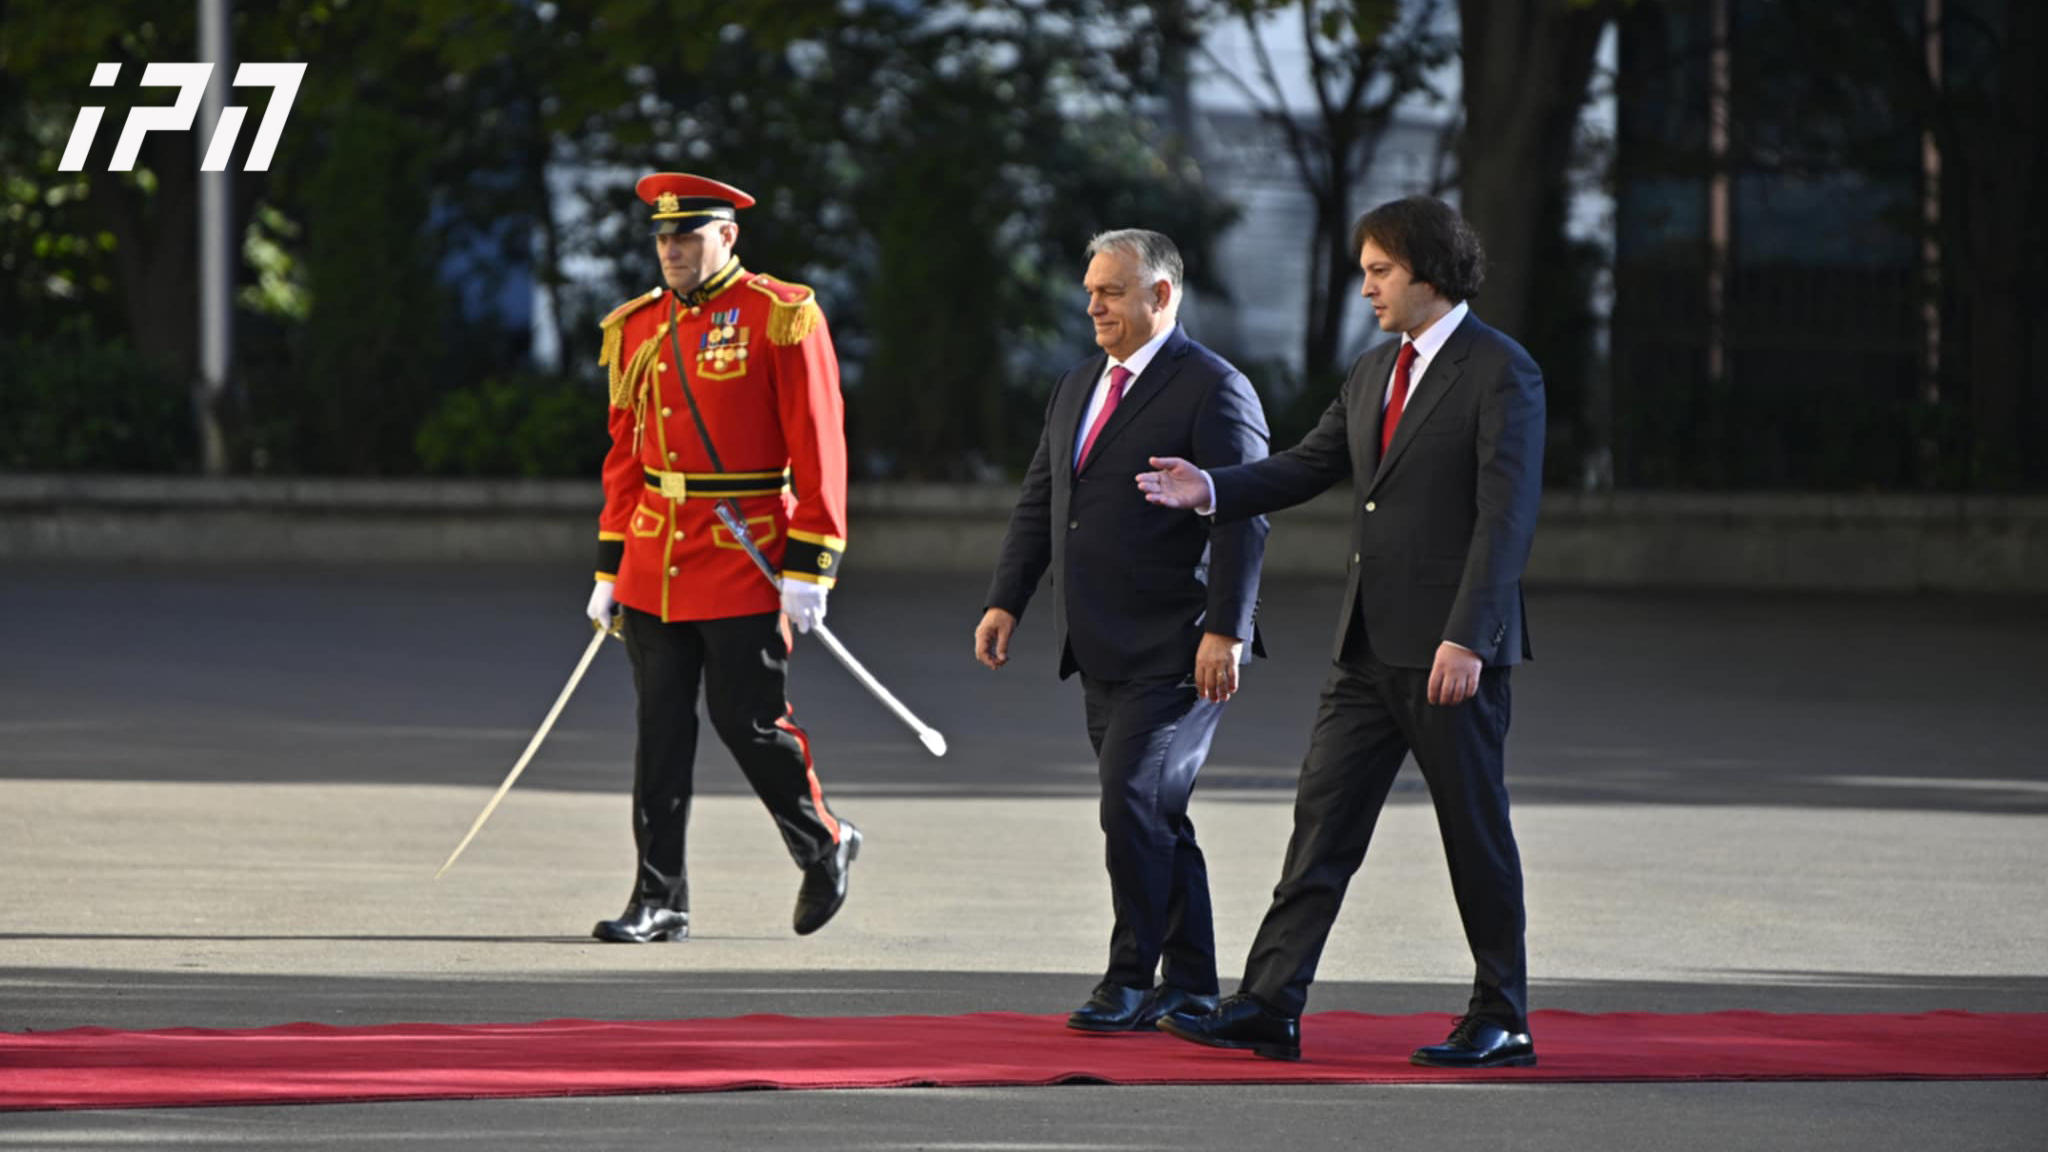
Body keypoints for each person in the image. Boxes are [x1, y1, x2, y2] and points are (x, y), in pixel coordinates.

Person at [1137, 195, 1544, 1067]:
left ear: (1428, 273)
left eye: (1380, 272)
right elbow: (1306, 466)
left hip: (1451, 654)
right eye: (1364, 273)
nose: (1367, 289)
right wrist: (1207, 487)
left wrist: (1469, 636)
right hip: (1364, 650)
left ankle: (1501, 1014)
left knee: (1474, 832)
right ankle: (1271, 1005)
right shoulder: (1373, 371)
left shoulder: (1500, 371)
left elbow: (1505, 521)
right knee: (1319, 828)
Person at [977, 229, 1271, 1033]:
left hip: (1180, 646)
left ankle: (1132, 979)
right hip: (1100, 641)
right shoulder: (1077, 385)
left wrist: (1227, 629)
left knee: (1131, 804)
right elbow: (1042, 502)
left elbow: (1243, 518)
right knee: (1155, 813)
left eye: (1110, 290)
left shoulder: (1214, 388)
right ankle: (1194, 984)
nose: (1092, 304)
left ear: (1161, 295)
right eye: (1091, 289)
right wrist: (1009, 599)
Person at [584, 171, 859, 944]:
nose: (671, 249)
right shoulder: (637, 326)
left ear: (727, 236)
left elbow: (819, 444)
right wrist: (610, 565)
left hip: (744, 548)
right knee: (659, 732)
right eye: (663, 237)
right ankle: (658, 896)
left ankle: (824, 842)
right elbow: (624, 456)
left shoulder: (779, 316)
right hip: (653, 554)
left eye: (688, 235)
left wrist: (812, 564)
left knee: (750, 722)